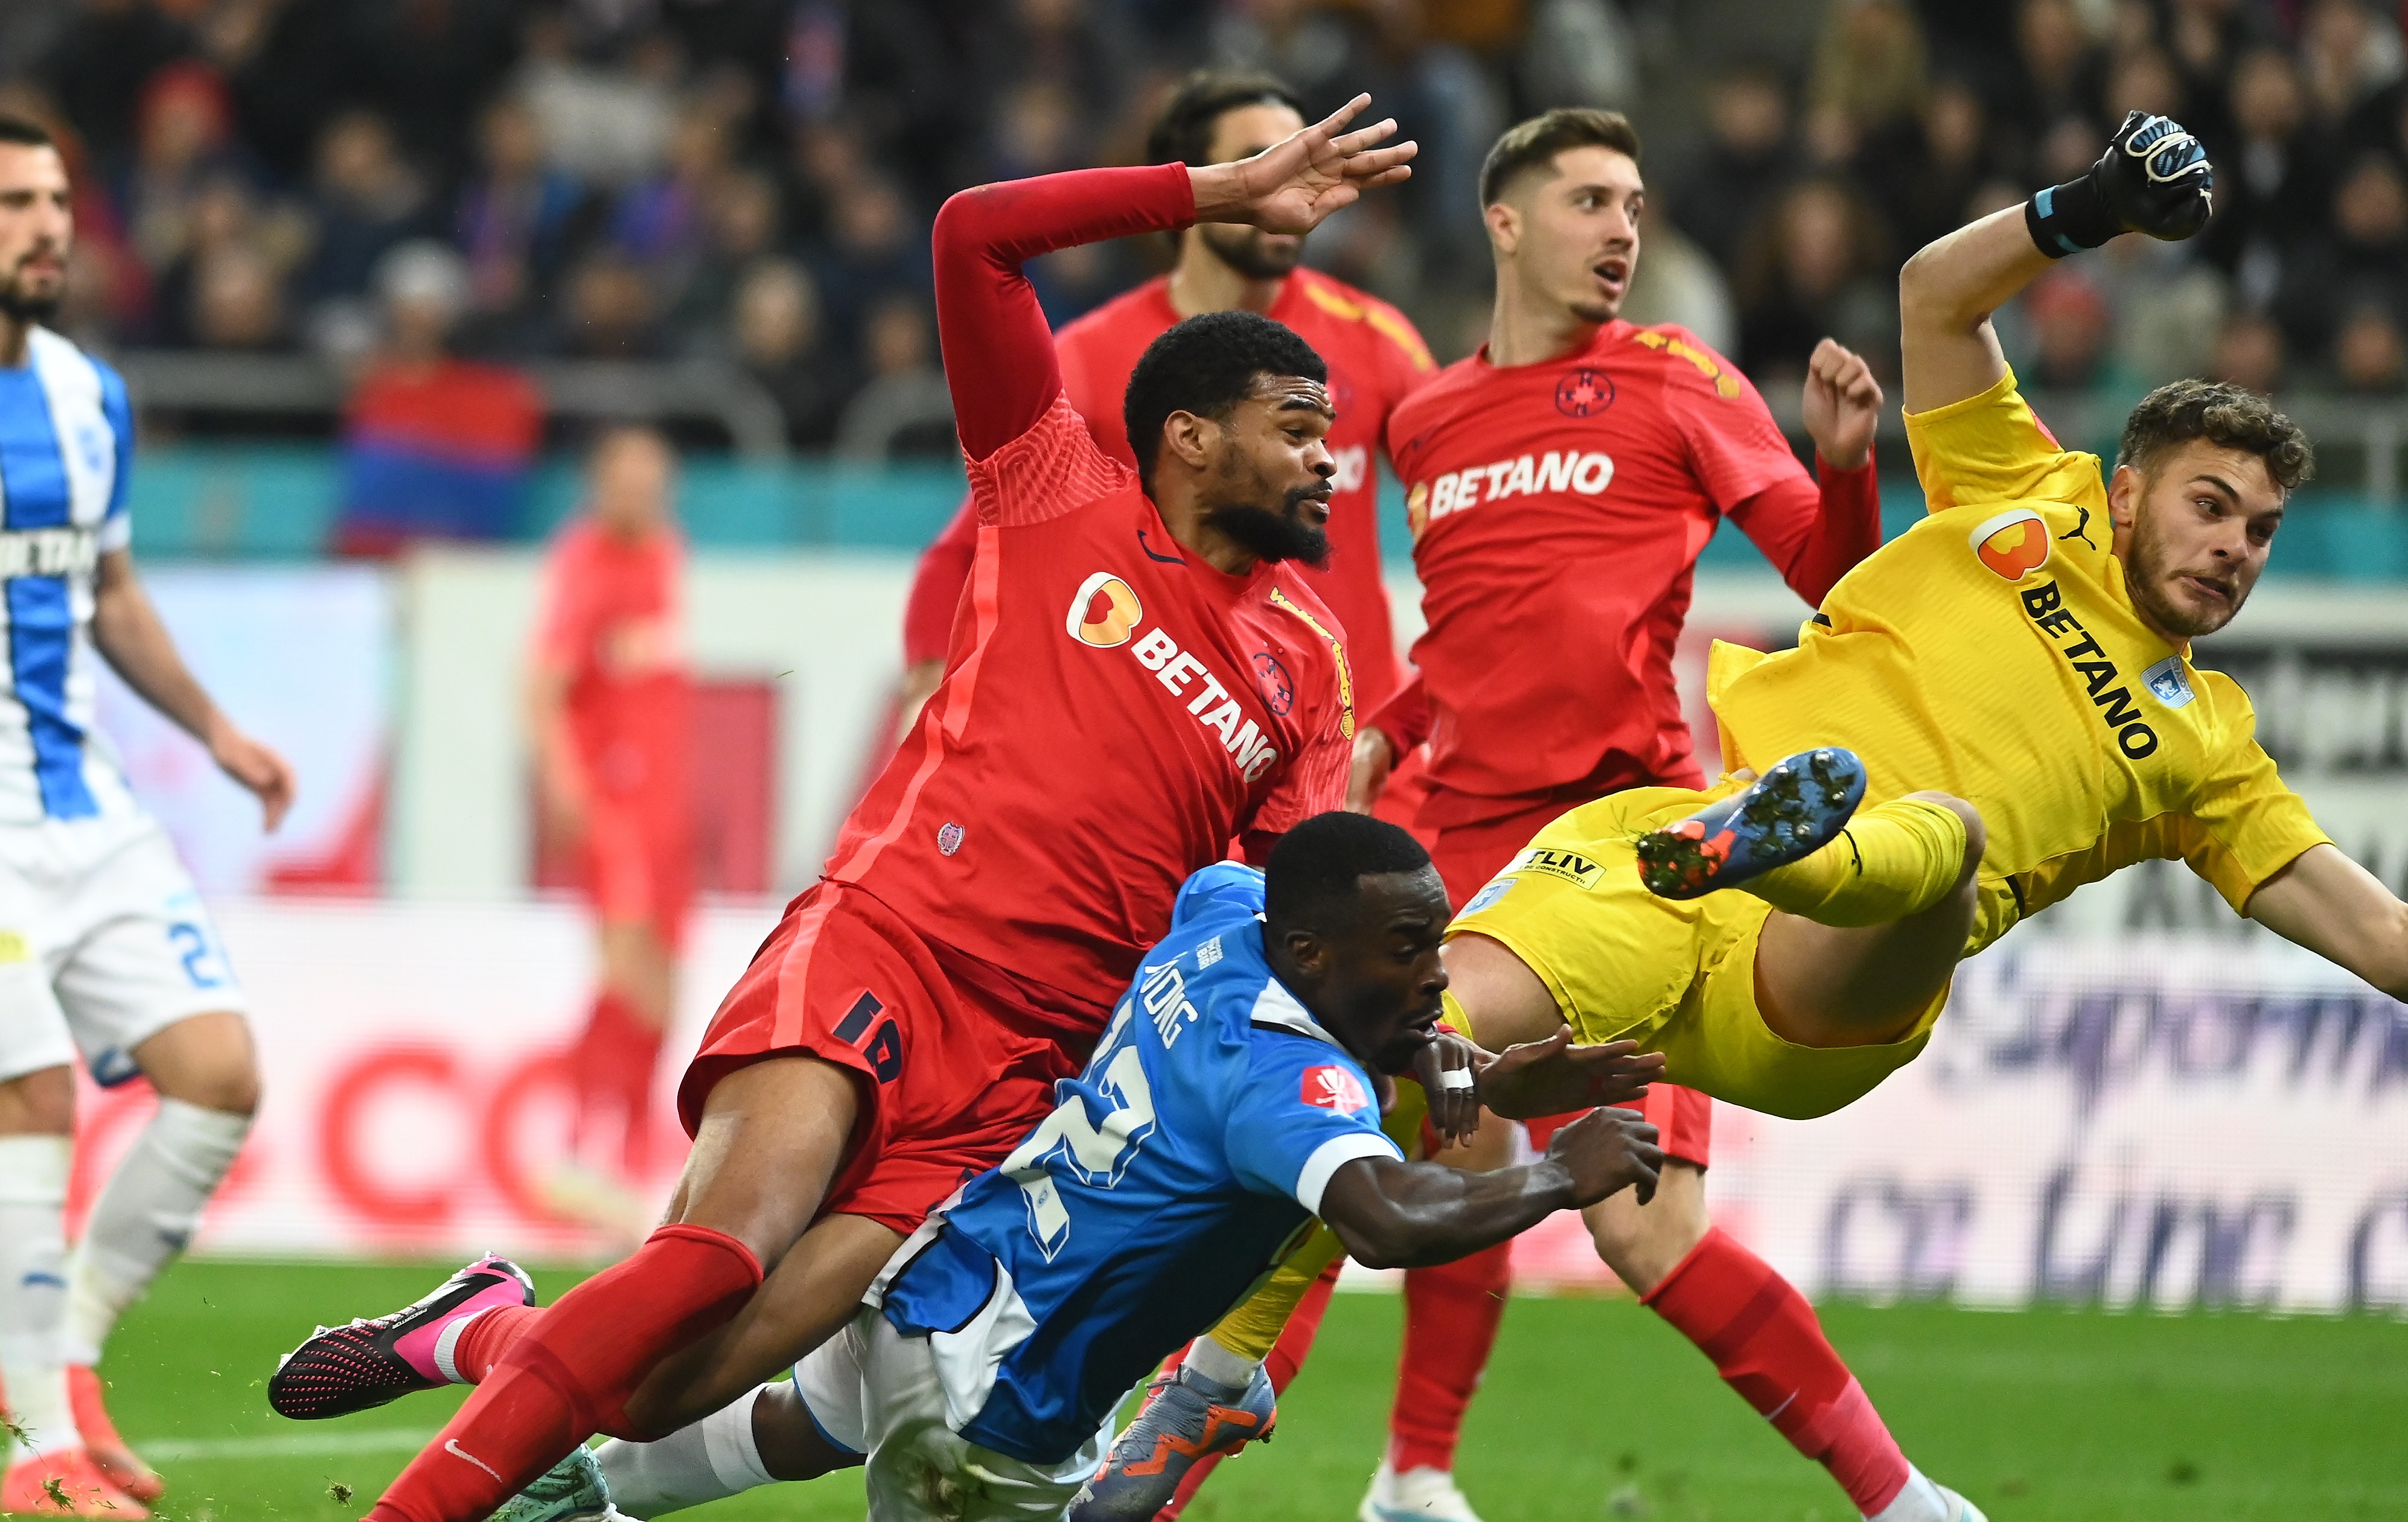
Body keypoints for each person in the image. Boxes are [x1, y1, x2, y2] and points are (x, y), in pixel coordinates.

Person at [267, 96, 1416, 1522]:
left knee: (659, 1387)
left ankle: (473, 1327)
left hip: (1025, 1066)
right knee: (710, 1259)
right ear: (1186, 437)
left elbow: (1266, 910)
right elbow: (972, 237)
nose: (1326, 458)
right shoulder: (1051, 487)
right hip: (889, 941)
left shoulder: (1306, 657)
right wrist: (1205, 188)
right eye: (1296, 429)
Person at [1428, 107, 2400, 1522]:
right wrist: (2091, 204)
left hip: (1819, 992)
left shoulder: (2207, 753)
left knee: (1937, 842)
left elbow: (2368, 929)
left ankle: (1801, 837)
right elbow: (1931, 295)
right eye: (2207, 508)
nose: (2231, 552)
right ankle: (1141, 1393)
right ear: (2121, 489)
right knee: (1396, 1039)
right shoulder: (2021, 490)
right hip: (1668, 864)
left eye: (2253, 532)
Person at [1116, 106, 1902, 1522]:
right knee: (1352, 1143)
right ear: (1503, 221)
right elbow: (1467, 641)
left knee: (1646, 1231)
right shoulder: (1422, 421)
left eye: (1633, 206)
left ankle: (1898, 1497)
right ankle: (1385, 1477)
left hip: (1625, 845)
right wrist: (1389, 727)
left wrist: (1844, 466)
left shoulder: (1675, 377)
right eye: (1591, 200)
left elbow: (1824, 574)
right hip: (1450, 846)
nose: (1620, 232)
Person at [480, 814, 1670, 1522]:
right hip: (993, 1406)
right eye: (1410, 950)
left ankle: (591, 1487)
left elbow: (1329, 975)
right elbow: (1384, 1216)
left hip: (932, 1274)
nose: (1432, 974)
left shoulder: (1221, 915)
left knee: (816, 1422)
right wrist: (1554, 1172)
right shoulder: (1287, 1087)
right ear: (1310, 952)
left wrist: (1463, 1068)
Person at [0, 113, 295, 1517]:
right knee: (33, 1095)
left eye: (55, 198)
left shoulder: (86, 396)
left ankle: (57, 1362)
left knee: (219, 1074)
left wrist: (217, 730)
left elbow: (107, 589)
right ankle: (35, 1449)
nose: (45, 226)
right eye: (13, 203)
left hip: (85, 802)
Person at [894, 70, 1434, 747]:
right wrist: (926, 679)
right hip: (1172, 760)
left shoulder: (1377, 339)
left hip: (1351, 756)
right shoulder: (1090, 358)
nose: (1289, 179)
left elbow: (1475, 526)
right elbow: (962, 553)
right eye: (1257, 159)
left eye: (1300, 154)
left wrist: (1408, 718)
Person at [526, 425, 694, 1239]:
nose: (637, 493)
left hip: (663, 804)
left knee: (665, 985)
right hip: (615, 800)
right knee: (625, 964)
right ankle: (575, 1147)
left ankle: (624, 1167)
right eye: (623, 478)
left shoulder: (664, 552)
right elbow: (540, 682)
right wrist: (567, 785)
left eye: (650, 478)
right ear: (598, 483)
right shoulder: (586, 560)